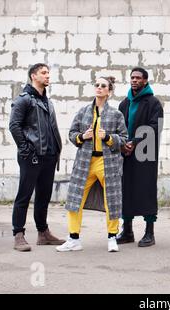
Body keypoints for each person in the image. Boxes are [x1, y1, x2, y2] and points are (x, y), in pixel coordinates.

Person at [56, 77, 128, 252]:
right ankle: (73, 238)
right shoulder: (83, 112)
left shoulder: (116, 114)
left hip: (107, 162)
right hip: (85, 162)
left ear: (109, 91)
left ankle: (112, 237)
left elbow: (124, 139)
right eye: (97, 85)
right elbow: (72, 133)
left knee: (112, 199)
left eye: (103, 86)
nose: (99, 88)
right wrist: (82, 137)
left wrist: (109, 138)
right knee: (74, 198)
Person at [9, 63, 64, 252]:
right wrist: (26, 150)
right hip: (31, 157)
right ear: (34, 76)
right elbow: (14, 126)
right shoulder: (23, 100)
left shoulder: (47, 102)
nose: (48, 76)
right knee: (24, 196)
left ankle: (43, 233)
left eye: (48, 73)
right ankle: (19, 235)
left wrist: (56, 150)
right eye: (44, 73)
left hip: (49, 156)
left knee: (44, 196)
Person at [116, 67, 164, 248]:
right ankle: (127, 231)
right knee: (126, 191)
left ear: (145, 81)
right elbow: (118, 127)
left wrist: (134, 142)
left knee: (146, 191)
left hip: (145, 155)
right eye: (132, 77)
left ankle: (149, 232)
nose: (134, 80)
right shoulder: (124, 104)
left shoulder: (154, 103)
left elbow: (154, 127)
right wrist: (122, 144)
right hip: (126, 154)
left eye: (138, 78)